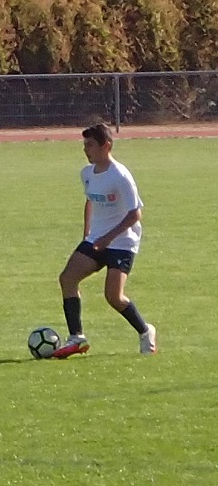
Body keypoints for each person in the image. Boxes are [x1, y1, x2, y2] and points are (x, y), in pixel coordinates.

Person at [52, 123, 156, 358]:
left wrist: (108, 238)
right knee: (67, 278)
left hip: (122, 242)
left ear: (106, 146)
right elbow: (90, 201)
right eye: (84, 145)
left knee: (114, 297)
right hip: (96, 239)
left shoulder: (120, 176)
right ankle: (77, 337)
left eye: (90, 145)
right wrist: (88, 234)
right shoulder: (87, 174)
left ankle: (145, 331)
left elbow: (135, 214)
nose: (85, 150)